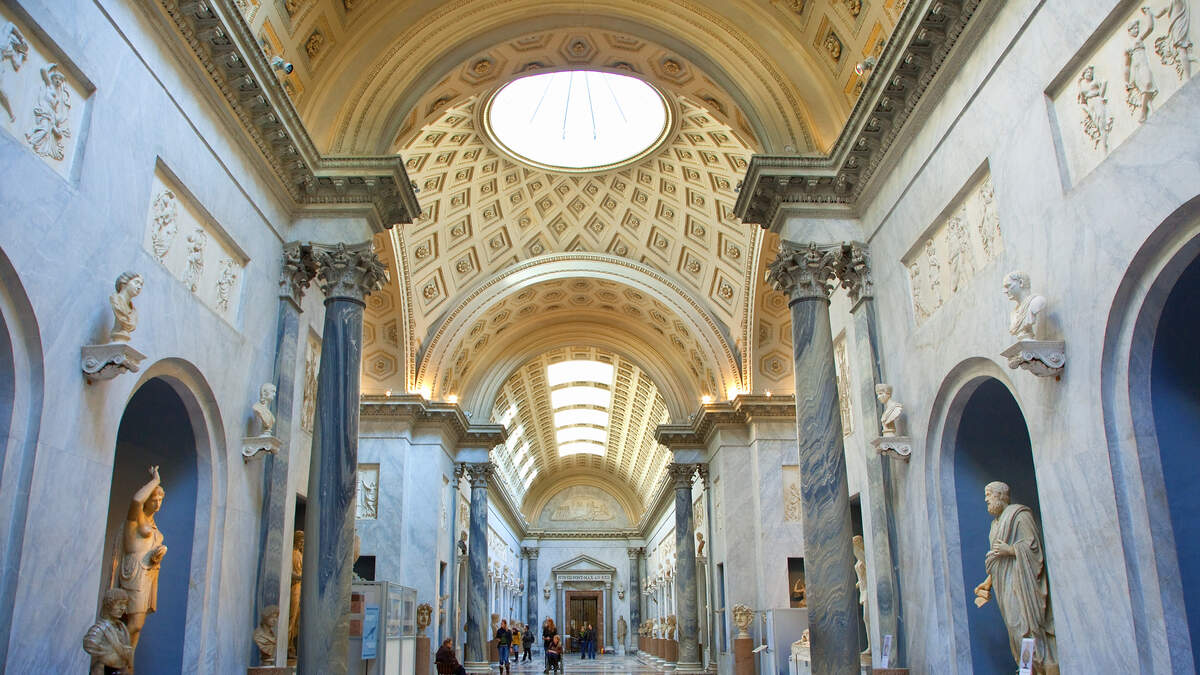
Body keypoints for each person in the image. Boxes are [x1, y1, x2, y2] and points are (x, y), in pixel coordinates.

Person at [973, 481, 1058, 675]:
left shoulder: (1020, 515)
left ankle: (1041, 668)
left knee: (1025, 626)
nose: (986, 499)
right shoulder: (995, 525)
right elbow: (996, 560)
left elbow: (1033, 547)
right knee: (1014, 629)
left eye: (989, 494)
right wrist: (987, 583)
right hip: (1003, 584)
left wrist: (1011, 550)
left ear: (1000, 495)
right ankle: (1028, 669)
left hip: (1023, 582)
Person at [115, 465, 167, 653]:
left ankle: (127, 662)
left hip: (147, 575)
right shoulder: (136, 519)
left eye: (160, 500)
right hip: (134, 572)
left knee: (137, 625)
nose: (157, 504)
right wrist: (155, 480)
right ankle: (117, 657)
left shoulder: (154, 526)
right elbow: (136, 500)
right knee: (134, 623)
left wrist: (156, 556)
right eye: (154, 499)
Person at [82, 588, 134, 675]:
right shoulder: (100, 628)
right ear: (108, 605)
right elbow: (89, 644)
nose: (123, 608)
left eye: (125, 604)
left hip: (120, 670)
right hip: (104, 670)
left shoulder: (122, 627)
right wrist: (110, 651)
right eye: (119, 604)